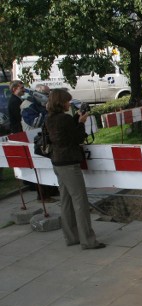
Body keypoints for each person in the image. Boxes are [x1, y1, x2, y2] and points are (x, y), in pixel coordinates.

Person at [47, 89, 105, 249]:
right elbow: (76, 137)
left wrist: (76, 118)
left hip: (57, 162)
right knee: (80, 201)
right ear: (61, 102)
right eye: (67, 101)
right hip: (68, 163)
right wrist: (81, 123)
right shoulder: (64, 119)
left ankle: (71, 237)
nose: (69, 104)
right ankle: (88, 240)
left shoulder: (50, 118)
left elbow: (64, 133)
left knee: (65, 200)